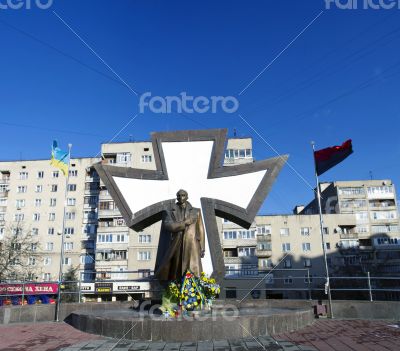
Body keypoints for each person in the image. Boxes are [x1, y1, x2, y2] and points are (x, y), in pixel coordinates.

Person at [155, 189, 205, 281]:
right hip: (176, 243)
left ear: (187, 197)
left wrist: (202, 247)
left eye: (183, 195)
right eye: (178, 195)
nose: (180, 197)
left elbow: (201, 229)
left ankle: (194, 288)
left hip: (192, 243)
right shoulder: (169, 211)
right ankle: (176, 287)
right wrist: (185, 223)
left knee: (193, 269)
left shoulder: (196, 211)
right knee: (176, 269)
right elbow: (169, 226)